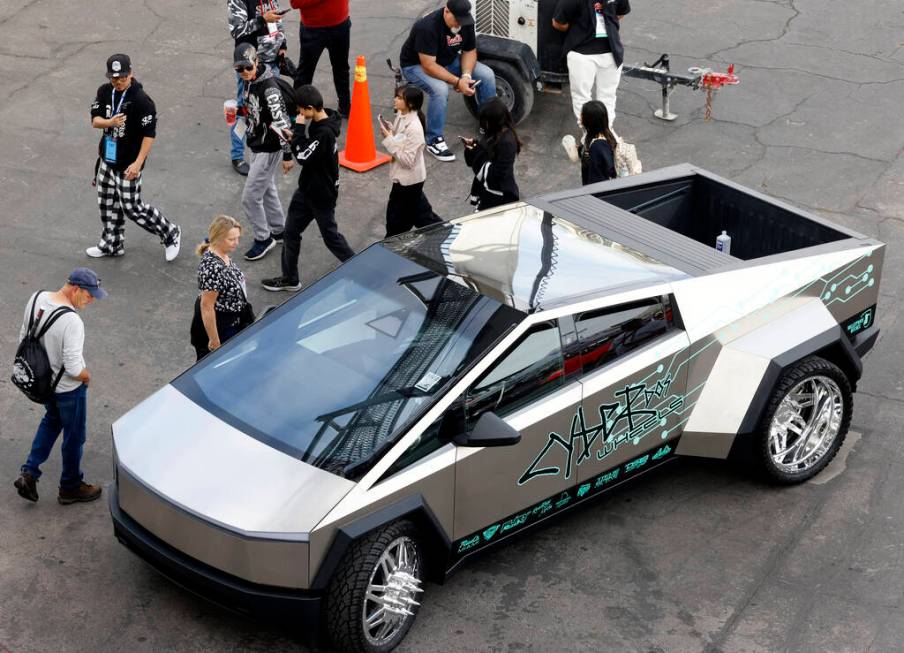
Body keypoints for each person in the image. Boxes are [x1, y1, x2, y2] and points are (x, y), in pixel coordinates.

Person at [13, 269, 107, 505]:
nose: (92, 300)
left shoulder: (36, 297)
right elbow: (74, 367)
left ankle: (30, 473)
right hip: (68, 389)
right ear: (76, 288)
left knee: (51, 420)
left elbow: (24, 337)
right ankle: (71, 486)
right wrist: (87, 377)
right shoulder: (72, 320)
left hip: (44, 384)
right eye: (89, 294)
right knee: (74, 437)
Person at [88, 54, 181, 262]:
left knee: (132, 207)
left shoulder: (142, 101)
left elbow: (149, 135)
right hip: (107, 159)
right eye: (114, 78)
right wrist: (110, 122)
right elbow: (95, 121)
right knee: (106, 203)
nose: (118, 82)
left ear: (131, 73)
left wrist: (138, 164)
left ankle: (170, 232)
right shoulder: (105, 91)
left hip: (128, 163)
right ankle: (112, 244)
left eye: (122, 77)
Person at [262, 85, 354, 292]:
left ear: (311, 108)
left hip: (321, 195)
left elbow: (303, 156)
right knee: (291, 233)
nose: (300, 115)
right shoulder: (322, 121)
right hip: (306, 190)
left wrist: (298, 131)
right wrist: (295, 137)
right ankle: (290, 278)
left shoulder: (325, 133)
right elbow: (305, 148)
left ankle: (358, 266)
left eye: (301, 111)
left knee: (331, 238)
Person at [398, 0, 497, 162]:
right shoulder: (427, 27)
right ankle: (433, 140)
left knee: (487, 74)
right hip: (416, 66)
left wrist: (465, 76)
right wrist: (457, 82)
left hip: (447, 60)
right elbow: (428, 66)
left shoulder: (465, 22)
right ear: (446, 11)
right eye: (456, 19)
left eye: (462, 20)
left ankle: (490, 125)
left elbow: (470, 51)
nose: (459, 24)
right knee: (440, 89)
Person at [234, 43, 295, 261]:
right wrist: (239, 112)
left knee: (250, 198)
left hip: (268, 148)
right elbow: (254, 110)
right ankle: (279, 231)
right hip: (256, 143)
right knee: (267, 189)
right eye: (239, 69)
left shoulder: (269, 89)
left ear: (257, 62)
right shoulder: (250, 82)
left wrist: (287, 156)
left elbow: (283, 124)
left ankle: (263, 238)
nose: (244, 73)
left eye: (247, 68)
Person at [228, 0, 291, 175]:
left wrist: (282, 44)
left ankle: (271, 149)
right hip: (250, 67)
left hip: (273, 63)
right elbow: (237, 30)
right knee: (244, 111)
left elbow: (277, 18)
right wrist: (262, 20)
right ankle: (237, 156)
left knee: (273, 108)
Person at [553, 0, 631, 128]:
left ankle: (589, 136)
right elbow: (620, 14)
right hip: (611, 52)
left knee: (581, 97)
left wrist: (578, 30)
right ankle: (606, 133)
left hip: (581, 54)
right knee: (608, 96)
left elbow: (558, 23)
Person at [379, 85, 442, 237]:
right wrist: (391, 131)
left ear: (411, 104)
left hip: (408, 181)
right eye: (397, 96)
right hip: (407, 181)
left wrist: (388, 139)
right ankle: (441, 231)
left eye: (400, 98)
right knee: (421, 215)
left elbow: (407, 161)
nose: (395, 99)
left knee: (397, 222)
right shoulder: (402, 115)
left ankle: (390, 246)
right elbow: (402, 139)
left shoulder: (414, 128)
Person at [190, 215, 254, 360]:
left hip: (233, 319)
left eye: (237, 238)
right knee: (220, 363)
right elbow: (206, 307)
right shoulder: (212, 268)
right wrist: (214, 341)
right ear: (218, 239)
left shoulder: (222, 254)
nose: (236, 243)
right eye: (231, 239)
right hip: (222, 326)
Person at [290, 0, 351, 118]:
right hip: (312, 29)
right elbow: (295, 3)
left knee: (342, 69)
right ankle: (296, 112)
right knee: (304, 73)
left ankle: (345, 107)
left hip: (340, 24)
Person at [463, 97, 521, 211]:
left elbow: (495, 175)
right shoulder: (492, 133)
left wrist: (477, 152)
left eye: (484, 121)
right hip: (488, 189)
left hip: (499, 194)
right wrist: (472, 147)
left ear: (493, 121)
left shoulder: (507, 143)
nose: (481, 124)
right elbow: (472, 162)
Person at [578, 100, 617, 184]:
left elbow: (597, 179)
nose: (580, 117)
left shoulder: (598, 147)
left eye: (582, 115)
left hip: (595, 191)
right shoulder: (600, 134)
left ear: (590, 121)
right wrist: (580, 149)